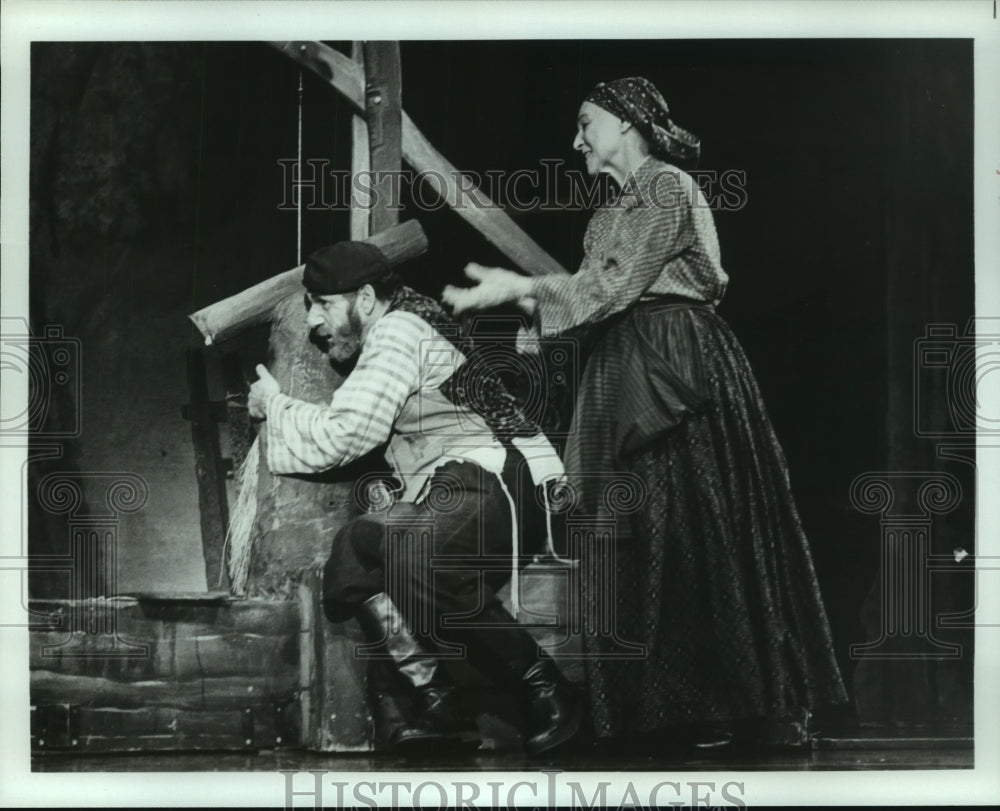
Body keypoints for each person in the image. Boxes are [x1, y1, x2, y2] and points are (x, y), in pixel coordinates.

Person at [442, 77, 848, 745]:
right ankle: (665, 707)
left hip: (674, 365)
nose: (575, 140)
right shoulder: (606, 214)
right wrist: (522, 302)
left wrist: (525, 285)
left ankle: (745, 702)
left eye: (586, 123)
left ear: (628, 123)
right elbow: (587, 294)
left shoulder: (666, 187)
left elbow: (614, 284)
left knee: (696, 531)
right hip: (621, 364)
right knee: (639, 536)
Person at [247, 238, 580, 754]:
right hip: (456, 483)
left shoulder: (399, 330)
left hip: (503, 473)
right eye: (309, 305)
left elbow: (346, 433)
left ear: (364, 299)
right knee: (354, 554)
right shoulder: (398, 323)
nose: (313, 321)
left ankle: (549, 690)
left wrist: (275, 404)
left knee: (417, 547)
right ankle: (439, 702)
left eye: (324, 304)